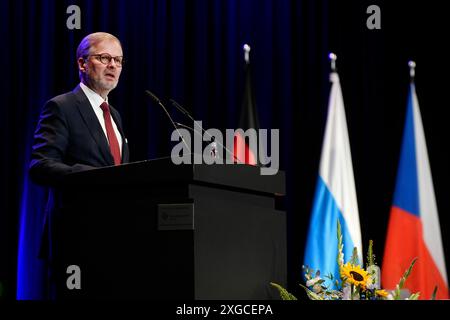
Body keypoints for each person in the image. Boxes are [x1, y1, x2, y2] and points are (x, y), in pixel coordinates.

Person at [29, 32, 129, 298]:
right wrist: (93, 177)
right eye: (104, 58)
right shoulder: (62, 107)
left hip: (114, 241)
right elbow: (40, 165)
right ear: (82, 64)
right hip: (76, 241)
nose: (113, 66)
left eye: (118, 60)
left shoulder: (115, 115)